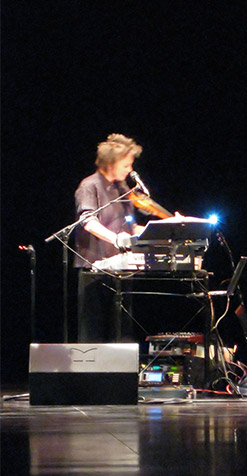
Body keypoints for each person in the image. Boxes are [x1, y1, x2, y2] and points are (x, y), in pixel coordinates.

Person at [74, 133, 144, 342]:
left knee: (122, 332)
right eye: (126, 165)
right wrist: (115, 239)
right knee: (93, 332)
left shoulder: (122, 189)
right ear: (111, 163)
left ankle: (123, 374)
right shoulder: (89, 185)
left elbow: (129, 227)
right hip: (93, 269)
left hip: (121, 269)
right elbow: (88, 221)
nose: (130, 170)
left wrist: (158, 229)